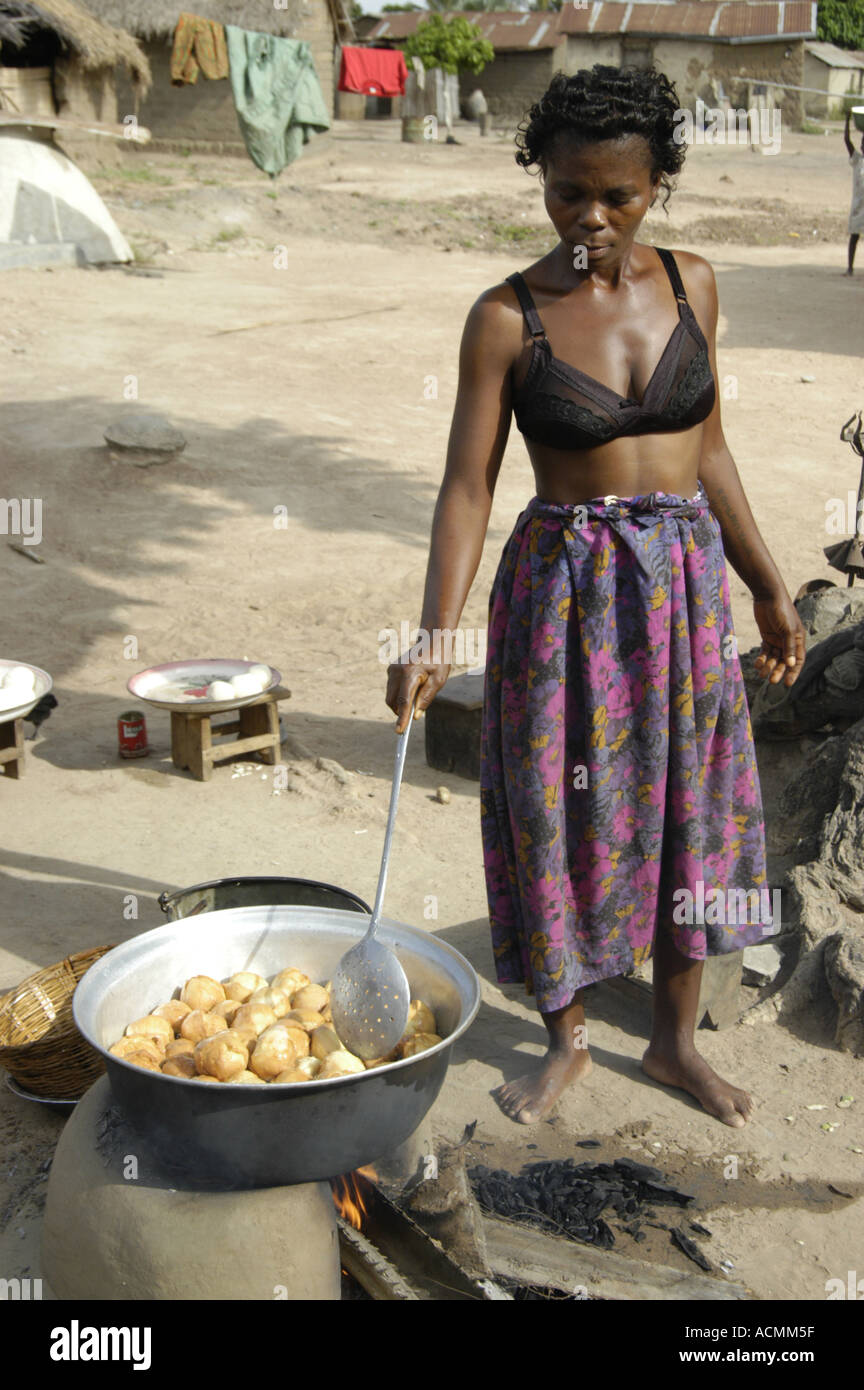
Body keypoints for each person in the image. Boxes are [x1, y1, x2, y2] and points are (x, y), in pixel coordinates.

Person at [385, 66, 806, 1130]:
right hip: (562, 597)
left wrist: (768, 585)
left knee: (692, 809)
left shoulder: (696, 284)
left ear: (659, 183)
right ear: (541, 181)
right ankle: (565, 1037)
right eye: (569, 191)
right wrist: (436, 628)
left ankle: (672, 1043)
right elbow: (469, 484)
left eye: (618, 195)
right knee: (555, 803)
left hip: (684, 592)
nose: (592, 218)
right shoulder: (505, 317)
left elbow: (709, 448)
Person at [843, 108, 864, 275]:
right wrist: (847, 121)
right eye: (863, 143)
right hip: (858, 206)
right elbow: (847, 141)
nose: (863, 145)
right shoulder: (857, 160)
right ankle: (850, 268)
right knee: (854, 236)